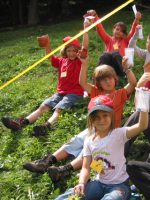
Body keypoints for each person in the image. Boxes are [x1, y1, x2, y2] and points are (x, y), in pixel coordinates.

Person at [23, 29, 137, 182]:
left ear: (115, 79)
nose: (107, 81)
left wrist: (127, 69)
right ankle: (47, 161)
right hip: (94, 128)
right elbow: (82, 83)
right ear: (98, 83)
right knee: (75, 141)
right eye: (103, 80)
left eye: (110, 78)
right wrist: (84, 65)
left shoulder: (121, 94)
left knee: (88, 150)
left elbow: (133, 84)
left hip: (109, 132)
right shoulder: (96, 92)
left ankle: (64, 170)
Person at [19, 95, 149, 200]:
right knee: (73, 194)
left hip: (119, 186)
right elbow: (86, 167)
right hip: (99, 184)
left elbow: (142, 125)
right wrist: (82, 183)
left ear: (111, 116)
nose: (101, 120)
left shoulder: (119, 134)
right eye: (97, 117)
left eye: (105, 115)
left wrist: (143, 104)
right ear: (91, 120)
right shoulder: (89, 141)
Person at [2, 35, 87, 136]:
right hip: (60, 92)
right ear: (65, 51)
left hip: (74, 93)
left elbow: (85, 47)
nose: (72, 53)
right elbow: (50, 56)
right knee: (43, 106)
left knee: (59, 108)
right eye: (69, 51)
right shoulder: (62, 61)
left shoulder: (79, 61)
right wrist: (47, 45)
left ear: (78, 51)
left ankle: (47, 126)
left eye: (74, 51)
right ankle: (21, 123)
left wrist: (86, 28)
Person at [85, 9, 142, 77]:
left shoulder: (126, 40)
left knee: (116, 54)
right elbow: (100, 29)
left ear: (124, 34)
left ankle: (124, 75)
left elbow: (132, 31)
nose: (118, 32)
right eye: (117, 29)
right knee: (105, 55)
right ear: (113, 30)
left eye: (121, 31)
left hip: (121, 67)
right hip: (109, 67)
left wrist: (136, 20)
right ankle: (98, 75)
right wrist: (95, 15)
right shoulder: (109, 40)